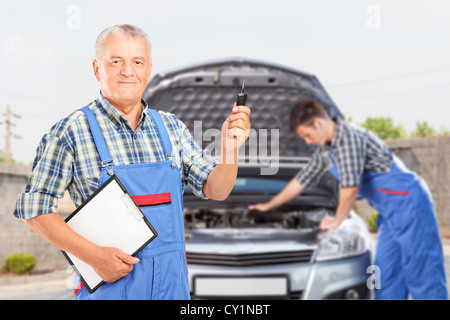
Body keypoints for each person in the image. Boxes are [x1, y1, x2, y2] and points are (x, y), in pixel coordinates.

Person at [13, 24, 251, 300]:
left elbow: (216, 190)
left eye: (137, 62)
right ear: (96, 69)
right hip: (109, 289)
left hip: (172, 290)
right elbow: (35, 210)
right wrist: (94, 256)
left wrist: (229, 148)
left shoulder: (171, 128)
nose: (128, 71)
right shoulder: (71, 131)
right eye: (116, 61)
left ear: (148, 69)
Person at [249, 99, 448, 299]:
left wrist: (336, 221)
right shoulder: (326, 152)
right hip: (389, 213)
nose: (307, 142)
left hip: (409, 203)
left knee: (422, 272)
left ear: (318, 123)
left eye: (307, 135)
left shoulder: (349, 137)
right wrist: (269, 205)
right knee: (386, 276)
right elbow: (301, 180)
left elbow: (350, 186)